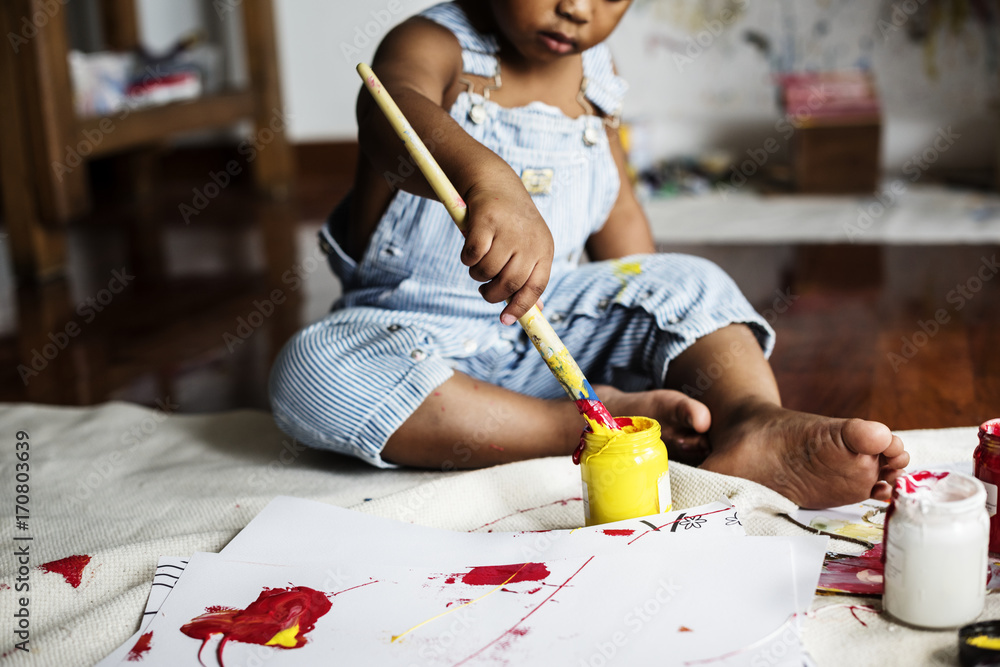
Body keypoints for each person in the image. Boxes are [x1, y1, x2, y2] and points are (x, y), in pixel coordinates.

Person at [269, 0, 908, 509]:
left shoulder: (596, 79)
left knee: (689, 281)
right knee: (313, 368)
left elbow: (620, 214)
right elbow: (390, 118)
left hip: (552, 342)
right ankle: (593, 425)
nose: (578, 9)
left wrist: (661, 332)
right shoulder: (431, 45)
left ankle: (749, 423)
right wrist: (489, 180)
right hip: (410, 346)